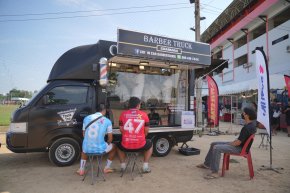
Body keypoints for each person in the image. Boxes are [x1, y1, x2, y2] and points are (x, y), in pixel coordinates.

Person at [196, 107, 257, 179]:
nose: (242, 114)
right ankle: (207, 164)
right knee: (214, 144)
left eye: (243, 113)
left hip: (239, 148)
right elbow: (243, 137)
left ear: (247, 115)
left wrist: (227, 144)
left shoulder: (247, 128)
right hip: (240, 145)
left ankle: (214, 172)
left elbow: (237, 143)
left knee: (217, 148)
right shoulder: (252, 125)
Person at [77, 104, 116, 176]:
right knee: (114, 147)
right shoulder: (107, 121)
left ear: (95, 110)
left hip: (87, 149)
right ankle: (107, 168)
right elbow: (110, 139)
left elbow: (84, 135)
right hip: (100, 149)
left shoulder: (86, 118)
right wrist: (106, 144)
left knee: (85, 147)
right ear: (104, 111)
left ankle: (81, 169)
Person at [117, 97, 153, 173]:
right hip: (140, 145)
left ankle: (123, 166)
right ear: (138, 105)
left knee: (118, 146)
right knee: (150, 144)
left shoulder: (122, 114)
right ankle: (145, 166)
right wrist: (141, 137)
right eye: (140, 104)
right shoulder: (144, 115)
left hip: (125, 145)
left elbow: (121, 129)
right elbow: (146, 130)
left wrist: (127, 136)